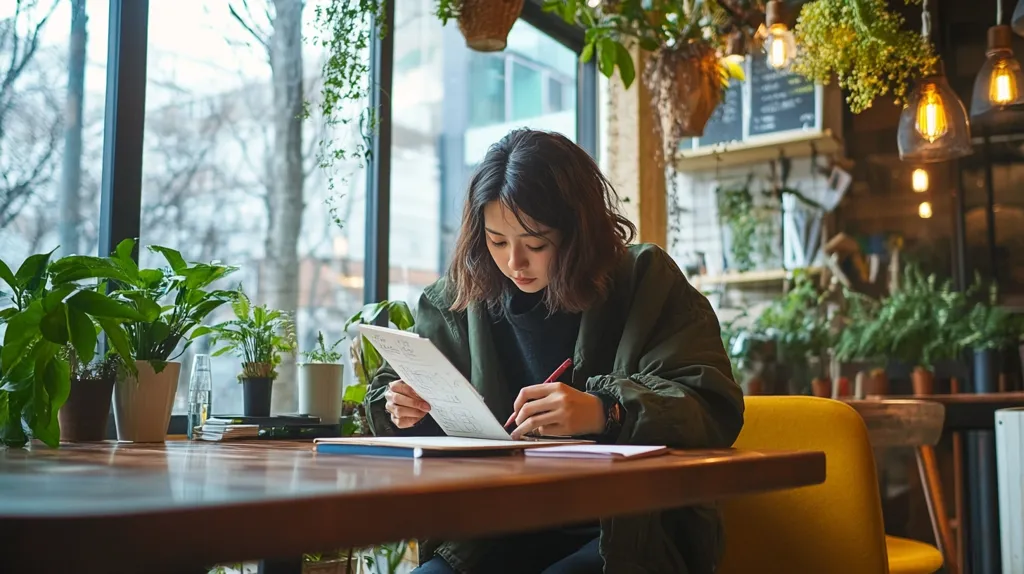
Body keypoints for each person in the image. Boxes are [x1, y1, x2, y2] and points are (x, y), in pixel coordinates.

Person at [364, 129, 744, 574]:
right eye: (497, 241)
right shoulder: (458, 300)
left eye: (536, 243)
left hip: (625, 535)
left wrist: (606, 411)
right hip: (492, 532)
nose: (514, 263)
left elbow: (712, 405)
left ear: (578, 229)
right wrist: (401, 406)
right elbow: (399, 391)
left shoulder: (646, 281)